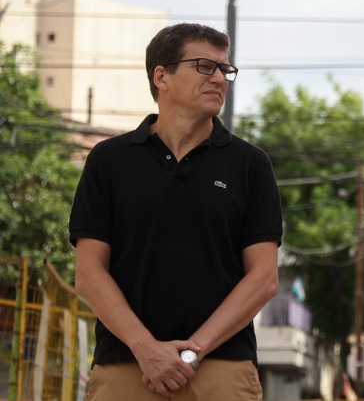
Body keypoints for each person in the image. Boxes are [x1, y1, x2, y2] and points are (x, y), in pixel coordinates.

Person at [69, 23, 283, 400]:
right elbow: (88, 274)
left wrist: (190, 353)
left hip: (222, 367)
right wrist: (146, 348)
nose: (219, 78)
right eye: (204, 66)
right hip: (125, 364)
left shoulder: (250, 164)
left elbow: (263, 279)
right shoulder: (108, 160)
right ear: (161, 76)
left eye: (225, 69)